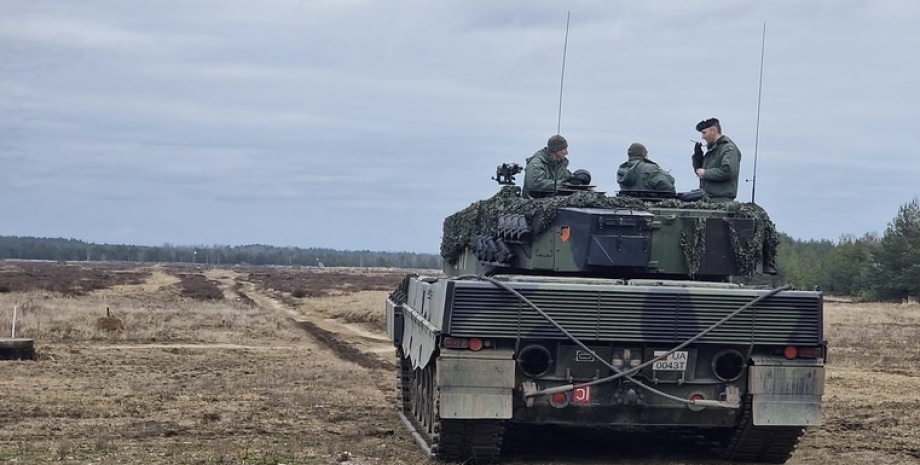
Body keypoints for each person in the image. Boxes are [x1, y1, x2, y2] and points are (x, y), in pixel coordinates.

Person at [692, 118, 741, 202]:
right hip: (707, 199)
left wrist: (706, 173)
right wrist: (698, 156)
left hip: (721, 201)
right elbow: (699, 172)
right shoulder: (712, 150)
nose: (702, 137)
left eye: (704, 133)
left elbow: (728, 171)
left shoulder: (727, 149)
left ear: (713, 131)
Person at [522, 135, 572, 199]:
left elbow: (566, 177)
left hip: (553, 202)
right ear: (557, 151)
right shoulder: (536, 163)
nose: (567, 152)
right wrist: (561, 184)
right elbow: (535, 184)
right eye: (564, 149)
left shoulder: (559, 164)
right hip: (532, 202)